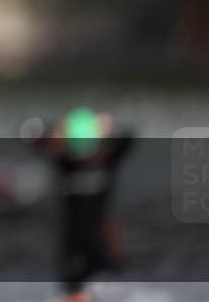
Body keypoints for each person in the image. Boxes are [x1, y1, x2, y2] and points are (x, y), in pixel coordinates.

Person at [30, 107, 133, 302]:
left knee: (108, 289)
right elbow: (28, 134)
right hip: (72, 244)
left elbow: (129, 136)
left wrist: (104, 126)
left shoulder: (107, 160)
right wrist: (58, 131)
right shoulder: (64, 162)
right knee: (74, 292)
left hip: (102, 243)